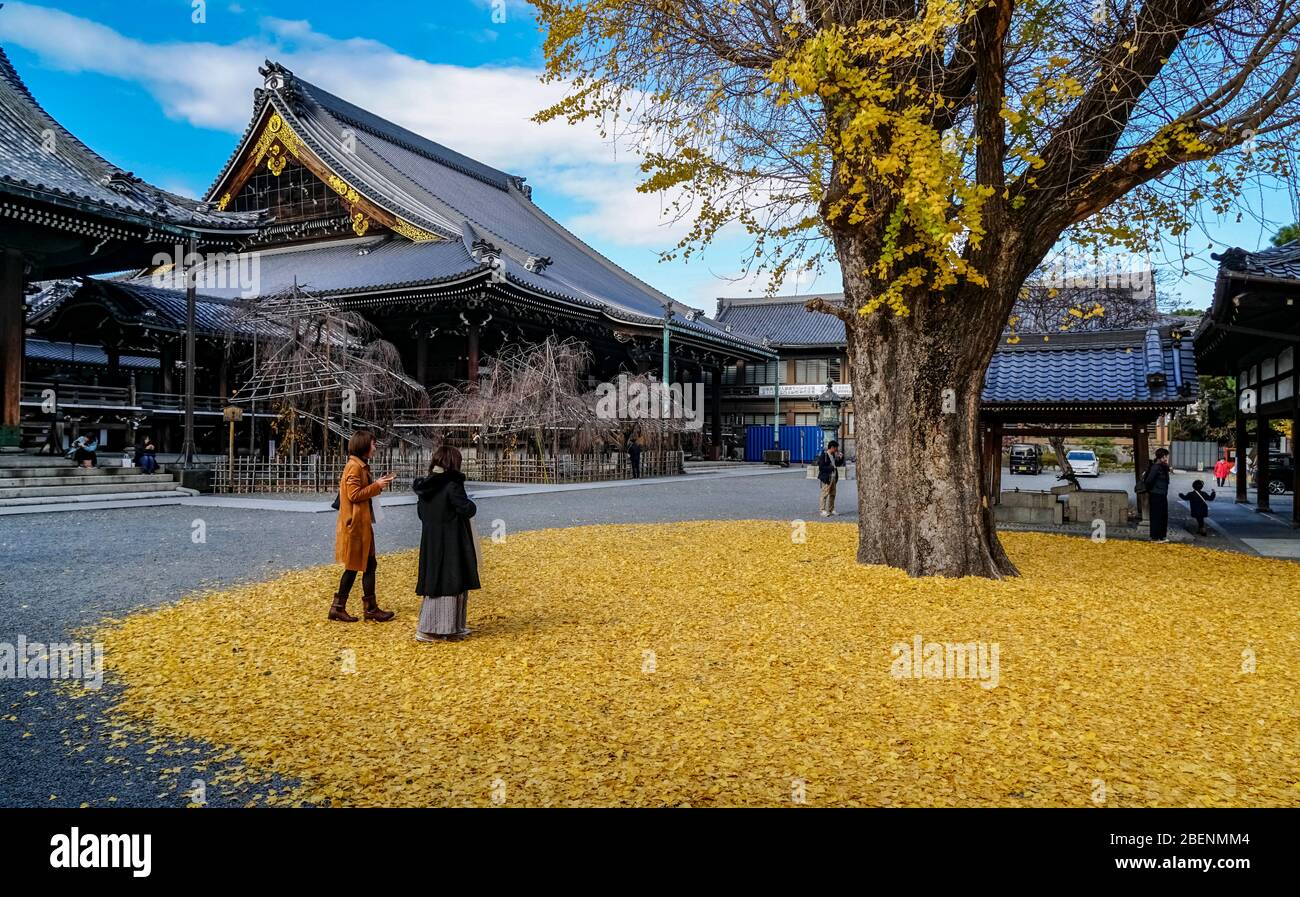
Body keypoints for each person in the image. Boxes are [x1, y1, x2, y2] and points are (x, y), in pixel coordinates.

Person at [413, 445, 481, 642]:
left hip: (431, 540)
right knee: (452, 579)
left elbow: (421, 514)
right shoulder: (451, 484)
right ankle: (433, 628)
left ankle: (448, 626)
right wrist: (470, 505)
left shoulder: (425, 486)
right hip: (452, 539)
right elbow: (466, 508)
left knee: (436, 580)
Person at [330, 429, 396, 623]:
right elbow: (354, 495)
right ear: (364, 446)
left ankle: (353, 607)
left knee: (366, 564)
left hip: (361, 524)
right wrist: (376, 485)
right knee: (356, 566)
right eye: (373, 444)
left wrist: (378, 485)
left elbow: (360, 493)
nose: (375, 447)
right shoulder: (354, 467)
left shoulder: (360, 466)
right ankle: (354, 608)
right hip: (356, 525)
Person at [1142, 447, 1171, 542]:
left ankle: (1162, 536)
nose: (1167, 458)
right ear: (1161, 457)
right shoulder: (1155, 467)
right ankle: (1155, 537)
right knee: (1156, 516)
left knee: (1163, 516)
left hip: (1162, 494)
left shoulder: (1163, 467)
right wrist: (1153, 490)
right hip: (1156, 495)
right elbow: (1148, 481)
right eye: (1166, 456)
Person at [816, 439, 842, 517]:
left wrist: (841, 458)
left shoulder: (833, 455)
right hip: (827, 478)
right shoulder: (824, 455)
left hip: (833, 477)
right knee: (824, 494)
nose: (837, 449)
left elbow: (837, 464)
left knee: (833, 494)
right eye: (836, 448)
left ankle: (831, 509)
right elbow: (821, 467)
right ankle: (822, 510)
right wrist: (831, 467)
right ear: (832, 447)